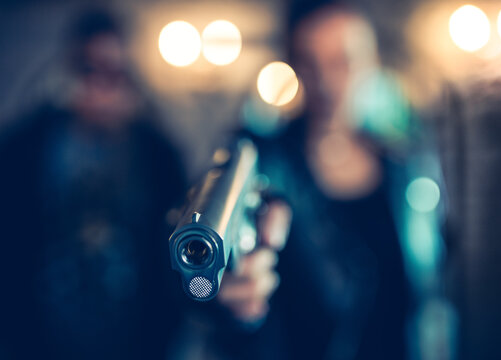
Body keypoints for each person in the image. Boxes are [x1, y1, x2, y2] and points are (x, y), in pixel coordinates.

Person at [0, 8, 286, 360]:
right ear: (70, 71)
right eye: (90, 69)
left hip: (137, 345)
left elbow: (178, 254)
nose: (102, 86)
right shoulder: (23, 150)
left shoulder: (158, 155)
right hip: (38, 345)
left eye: (115, 72)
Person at [228, 4, 409, 360]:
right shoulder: (265, 168)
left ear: (372, 62)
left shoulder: (404, 167)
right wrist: (233, 298)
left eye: (343, 61)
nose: (327, 81)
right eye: (310, 63)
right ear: (293, 67)